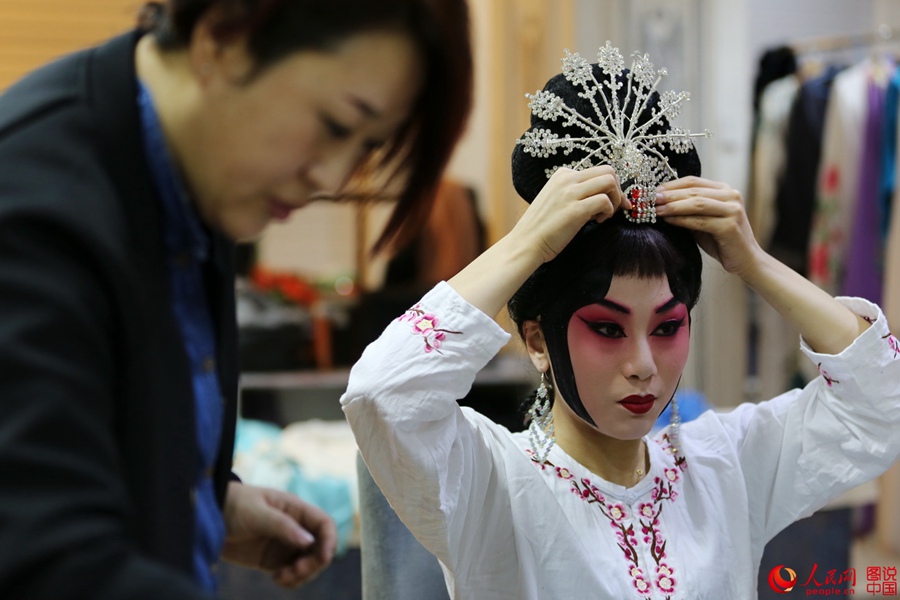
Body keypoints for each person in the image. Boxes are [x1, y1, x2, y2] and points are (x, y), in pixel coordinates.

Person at [342, 44, 900, 598]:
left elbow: (881, 398)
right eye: (608, 329)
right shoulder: (491, 484)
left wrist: (753, 262)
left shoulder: (725, 466)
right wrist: (526, 244)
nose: (643, 366)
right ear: (537, 340)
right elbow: (383, 394)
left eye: (666, 327)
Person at [0, 0, 472, 597]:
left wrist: (205, 498)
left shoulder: (199, 179)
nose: (331, 177)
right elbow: (44, 557)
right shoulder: (37, 211)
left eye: (365, 147)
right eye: (334, 124)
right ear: (222, 39)